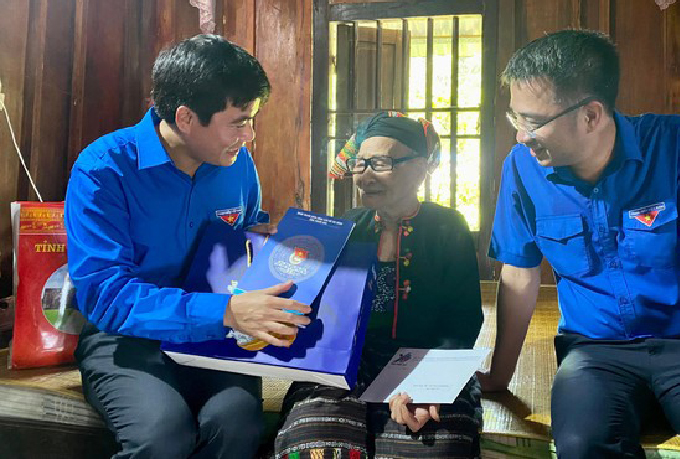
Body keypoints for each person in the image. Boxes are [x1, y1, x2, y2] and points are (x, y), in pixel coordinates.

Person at [480, 30, 680, 459]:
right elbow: (520, 276)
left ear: (591, 116)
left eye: (532, 122)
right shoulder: (522, 168)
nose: (521, 136)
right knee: (583, 447)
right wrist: (498, 378)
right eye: (515, 118)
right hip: (594, 354)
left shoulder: (675, 143)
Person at [65, 35, 312, 459]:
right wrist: (225, 312)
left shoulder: (238, 165)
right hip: (125, 337)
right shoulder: (103, 169)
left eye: (252, 120)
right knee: (162, 435)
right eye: (238, 122)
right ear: (185, 117)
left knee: (236, 421)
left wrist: (269, 253)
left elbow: (246, 238)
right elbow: (104, 296)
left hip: (216, 335)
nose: (249, 135)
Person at [272, 111, 484, 459]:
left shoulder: (449, 228)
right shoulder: (347, 225)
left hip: (425, 358)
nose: (365, 174)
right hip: (348, 361)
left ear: (420, 168)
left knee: (435, 443)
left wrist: (426, 384)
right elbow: (321, 308)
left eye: (381, 163)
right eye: (360, 163)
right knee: (318, 442)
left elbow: (462, 322)